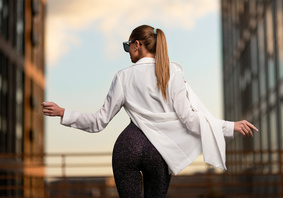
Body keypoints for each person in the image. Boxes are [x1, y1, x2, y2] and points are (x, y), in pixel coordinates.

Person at [42, 25, 258, 198]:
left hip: (128, 146)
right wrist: (230, 126)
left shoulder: (123, 76)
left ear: (137, 45)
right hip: (159, 151)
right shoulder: (172, 71)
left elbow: (99, 121)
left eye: (128, 47)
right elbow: (191, 119)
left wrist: (63, 112)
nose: (128, 52)